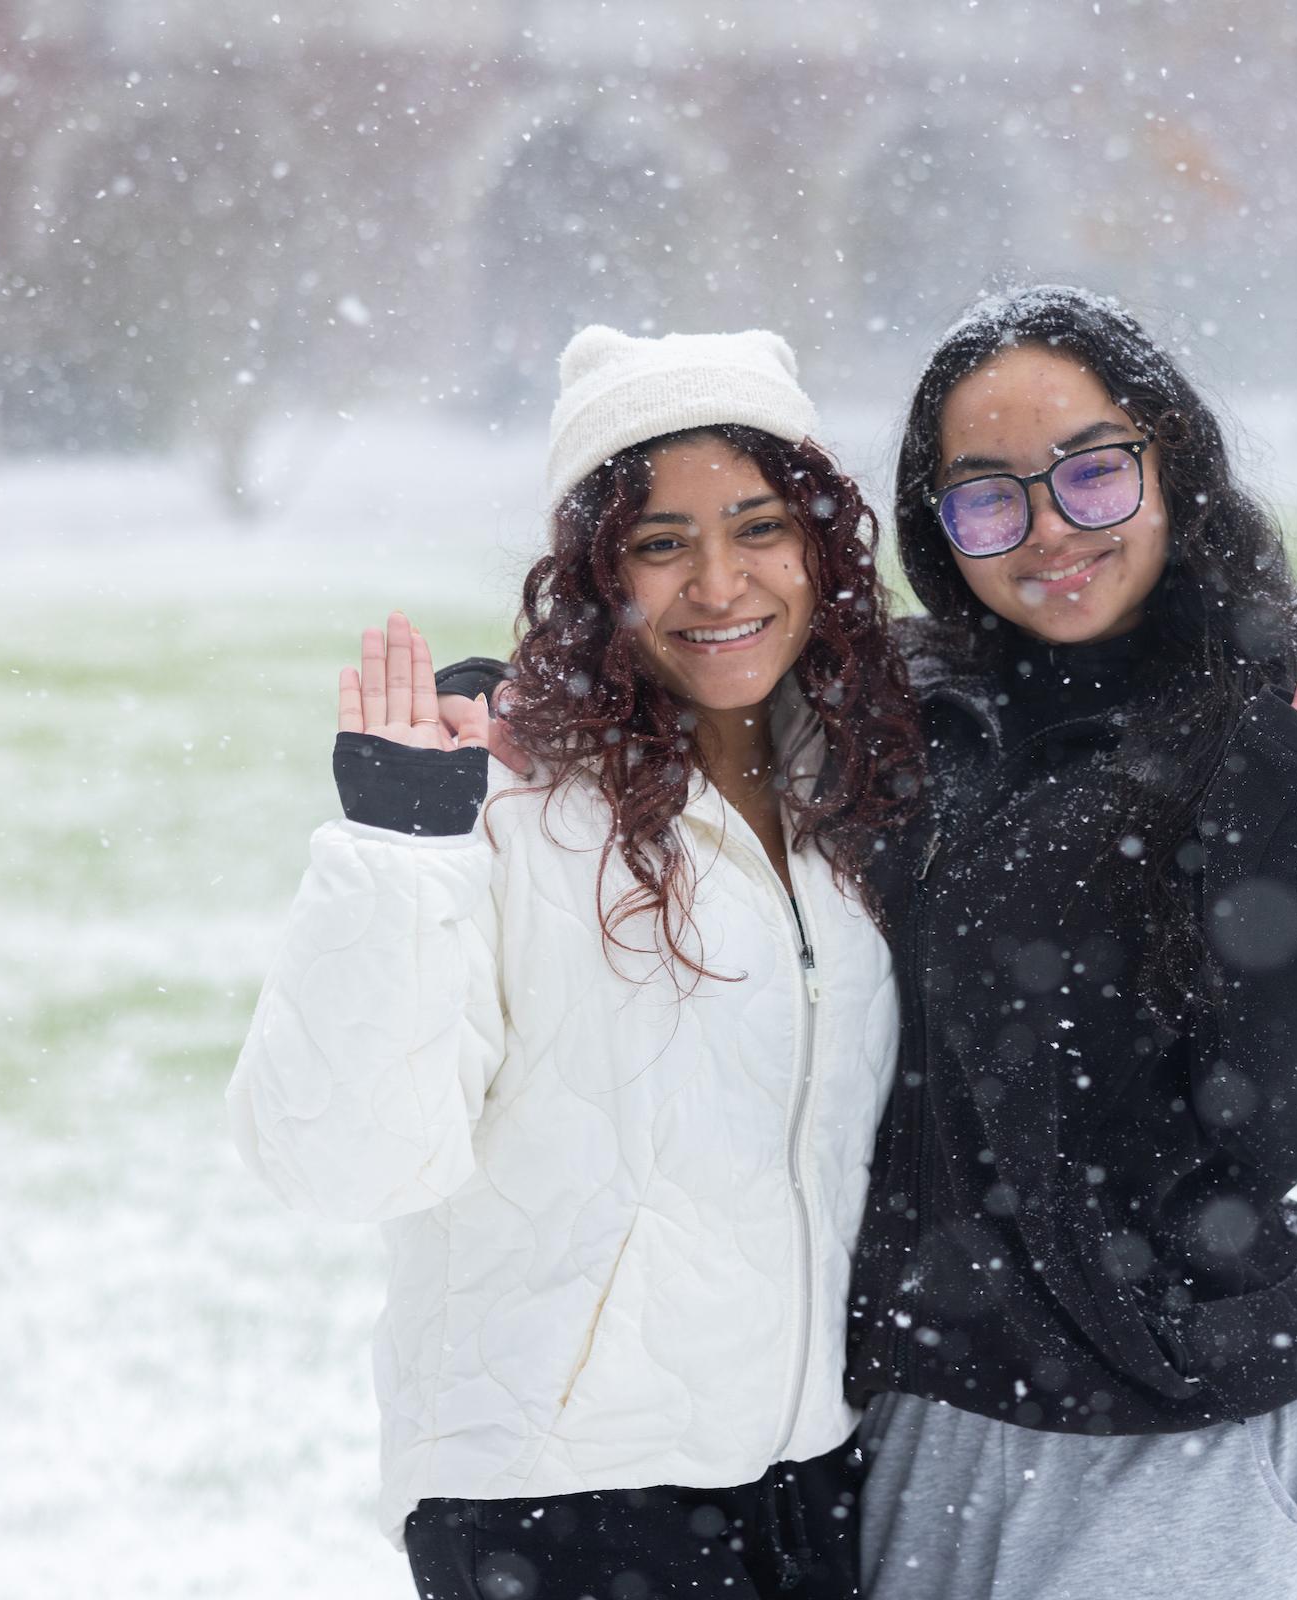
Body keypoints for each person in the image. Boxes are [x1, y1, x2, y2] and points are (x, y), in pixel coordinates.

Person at [444, 286, 1297, 1598]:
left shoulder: (1278, 727)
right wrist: (528, 712)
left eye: (1090, 473)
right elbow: (701, 680)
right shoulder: (896, 712)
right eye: (988, 497)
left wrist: (1272, 866)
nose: (1047, 532)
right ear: (937, 522)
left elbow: (1291, 1122)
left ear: (1170, 462)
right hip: (927, 1411)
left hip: (1175, 1427)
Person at [227, 325, 924, 1600]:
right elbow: (338, 1160)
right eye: (661, 544)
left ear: (820, 543)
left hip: (801, 1480)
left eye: (759, 526)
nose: (719, 583)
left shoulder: (852, 797)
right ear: (594, 575)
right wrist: (400, 848)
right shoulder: (504, 800)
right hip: (557, 1503)